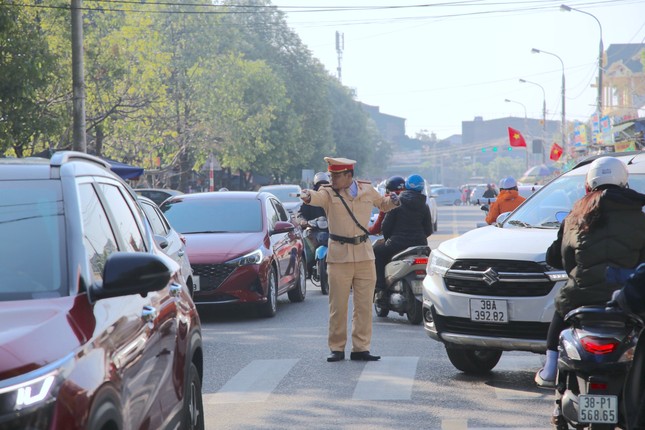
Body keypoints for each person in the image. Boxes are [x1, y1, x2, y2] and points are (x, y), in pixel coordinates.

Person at [534, 156, 645, 389]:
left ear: (588, 185)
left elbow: (562, 259)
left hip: (580, 296)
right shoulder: (640, 216)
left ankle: (549, 369)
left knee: (559, 309)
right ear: (624, 183)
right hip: (627, 298)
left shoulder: (575, 216)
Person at [300, 157, 400, 362]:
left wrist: (394, 201)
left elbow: (383, 204)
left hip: (364, 255)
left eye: (336, 175)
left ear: (348, 176)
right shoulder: (328, 192)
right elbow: (315, 197)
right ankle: (336, 347)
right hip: (339, 256)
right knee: (338, 306)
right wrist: (307, 196)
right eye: (331, 175)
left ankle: (361, 348)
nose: (333, 179)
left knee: (364, 306)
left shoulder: (366, 189)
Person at [373, 174, 433, 306]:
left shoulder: (397, 202)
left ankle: (380, 288)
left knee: (377, 251)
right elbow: (428, 229)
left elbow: (386, 226)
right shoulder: (424, 206)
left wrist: (388, 239)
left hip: (397, 244)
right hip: (420, 245)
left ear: (406, 186)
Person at [296, 172, 330, 276]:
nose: (322, 188)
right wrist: (303, 222)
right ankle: (307, 268)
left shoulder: (333, 198)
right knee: (306, 243)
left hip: (331, 230)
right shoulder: (310, 199)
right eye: (320, 185)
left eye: (325, 185)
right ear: (315, 186)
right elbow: (300, 214)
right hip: (314, 230)